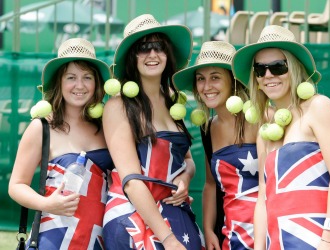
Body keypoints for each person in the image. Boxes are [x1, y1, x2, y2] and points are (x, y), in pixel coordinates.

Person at [232, 25, 330, 249]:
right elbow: (263, 198)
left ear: (294, 69)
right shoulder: (265, 130)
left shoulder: (318, 107)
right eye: (260, 69)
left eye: (278, 67)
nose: (268, 75)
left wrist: (329, 239)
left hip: (316, 240)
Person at [102, 14, 205, 249]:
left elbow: (186, 159)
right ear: (131, 58)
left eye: (158, 47)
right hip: (133, 220)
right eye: (143, 48)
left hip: (175, 213)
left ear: (167, 54)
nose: (152, 54)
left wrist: (185, 177)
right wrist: (168, 239)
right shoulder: (118, 106)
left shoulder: (173, 101)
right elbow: (130, 181)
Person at [8, 38, 114, 249]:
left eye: (87, 77)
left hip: (99, 239)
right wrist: (47, 203)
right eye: (71, 77)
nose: (80, 85)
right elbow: (16, 186)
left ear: (97, 83)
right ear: (59, 82)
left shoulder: (108, 127)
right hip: (54, 239)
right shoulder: (42, 128)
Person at [173, 41, 259, 249]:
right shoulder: (208, 128)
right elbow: (211, 184)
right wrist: (209, 229)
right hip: (231, 233)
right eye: (200, 79)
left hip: (267, 232)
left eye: (215, 77)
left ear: (234, 81)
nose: (206, 86)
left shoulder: (261, 119)